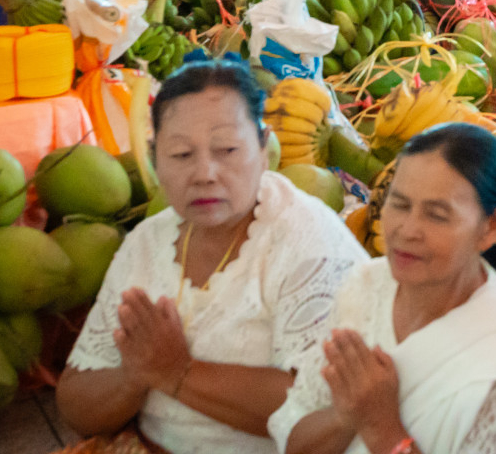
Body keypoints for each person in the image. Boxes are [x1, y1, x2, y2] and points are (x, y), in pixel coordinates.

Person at [57, 58, 363, 454]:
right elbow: (75, 401)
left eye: (227, 149)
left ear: (263, 146)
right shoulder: (148, 241)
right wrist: (134, 376)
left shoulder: (307, 240)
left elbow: (325, 413)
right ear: (154, 159)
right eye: (182, 155)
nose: (205, 173)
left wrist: (178, 372)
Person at [274, 127, 496, 454]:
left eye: (436, 215)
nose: (407, 230)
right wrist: (346, 415)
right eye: (400, 204)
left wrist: (383, 427)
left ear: (491, 226)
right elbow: (294, 440)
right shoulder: (366, 286)